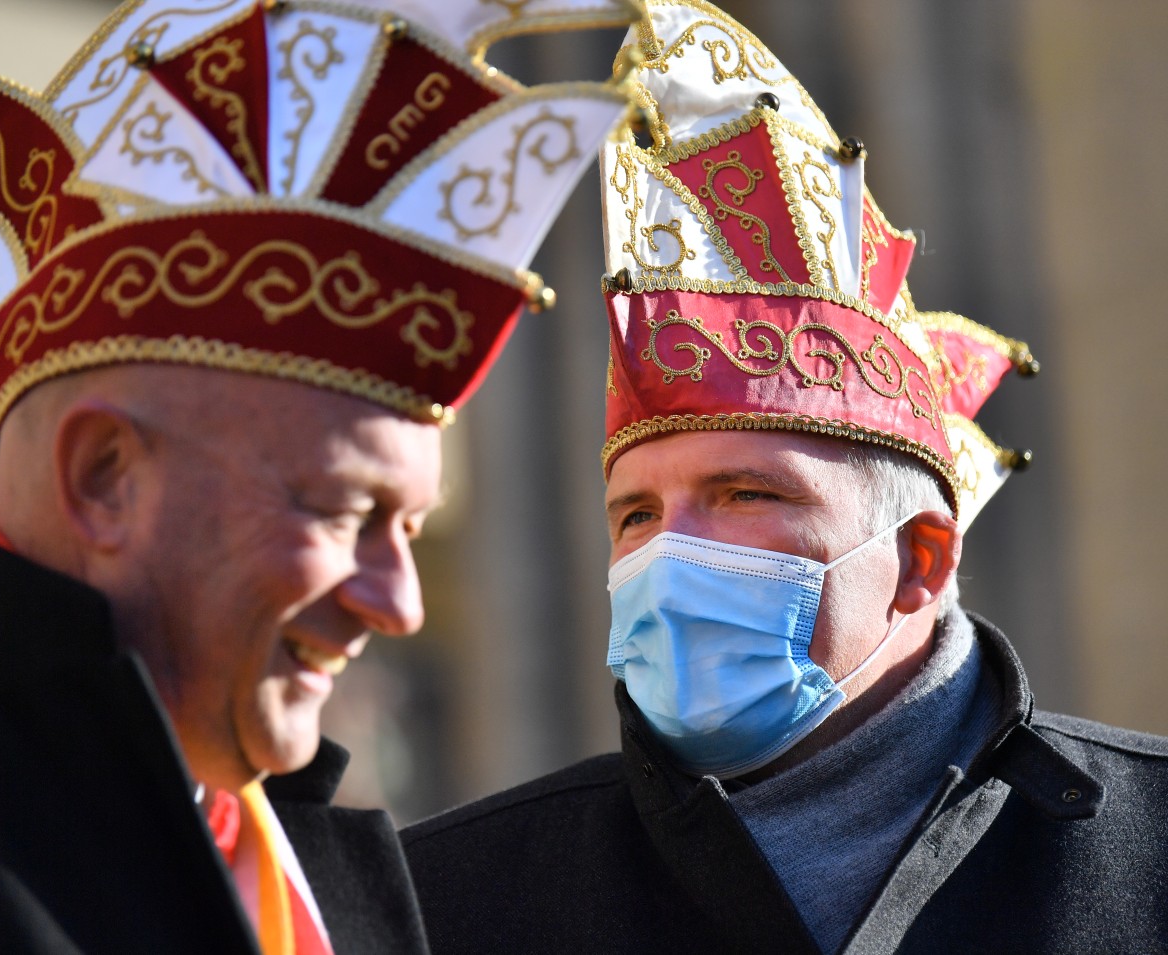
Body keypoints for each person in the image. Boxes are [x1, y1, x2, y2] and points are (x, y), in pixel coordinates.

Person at [401, 3, 1168, 953]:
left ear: (921, 558)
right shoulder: (442, 902)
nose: (668, 554)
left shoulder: (1151, 854)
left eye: (744, 493)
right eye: (635, 515)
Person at [0, 0, 633, 951]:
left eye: (407, 527)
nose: (400, 604)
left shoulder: (332, 880)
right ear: (103, 478)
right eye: (340, 510)